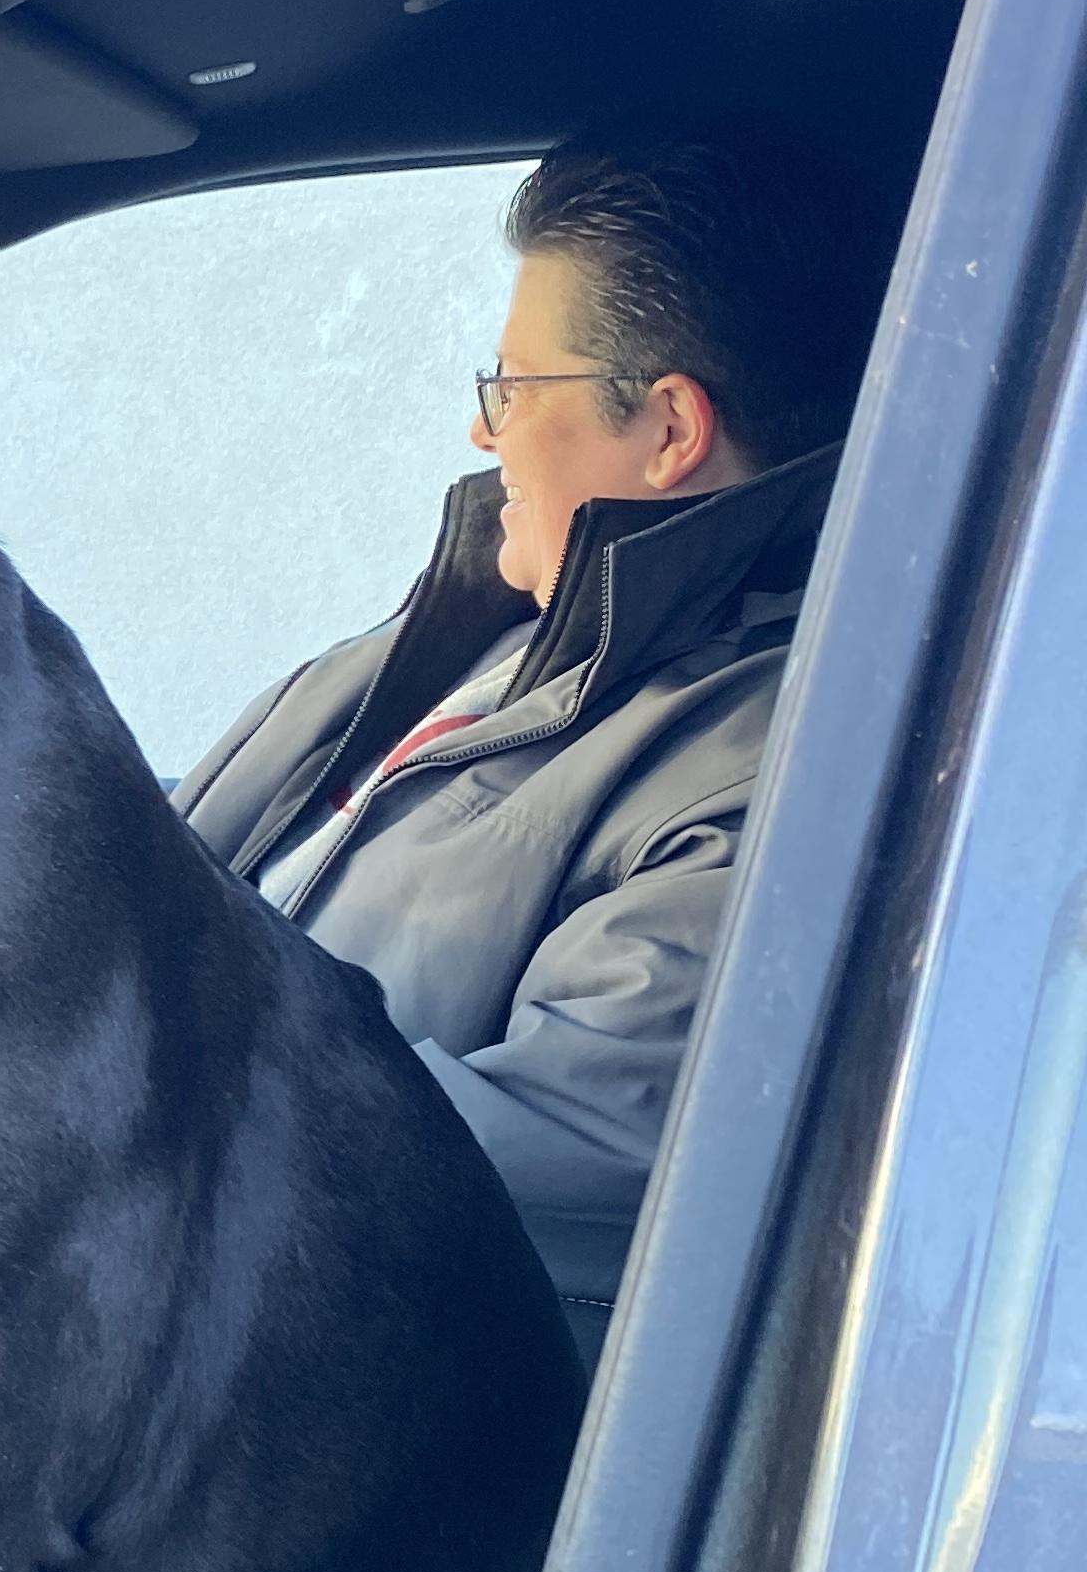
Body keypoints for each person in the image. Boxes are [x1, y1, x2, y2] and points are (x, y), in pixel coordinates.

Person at [176, 126, 890, 1358]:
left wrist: (80, 1095)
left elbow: (488, 1185)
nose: (484, 431)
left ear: (669, 429)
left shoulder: (768, 776)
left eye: (511, 386)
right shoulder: (478, 632)